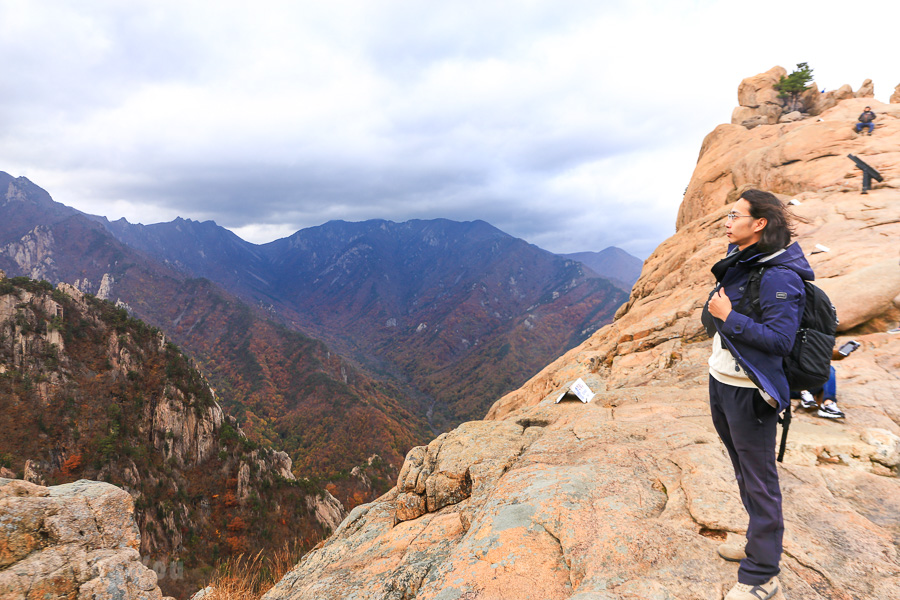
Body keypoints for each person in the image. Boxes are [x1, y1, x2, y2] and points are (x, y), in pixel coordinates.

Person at [701, 189, 813, 600]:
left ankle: (762, 576)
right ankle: (755, 545)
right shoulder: (744, 263)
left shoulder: (780, 275)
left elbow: (781, 341)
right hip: (723, 382)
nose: (727, 222)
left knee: (760, 481)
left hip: (751, 394)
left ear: (759, 223)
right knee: (744, 473)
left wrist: (728, 317)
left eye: (735, 215)